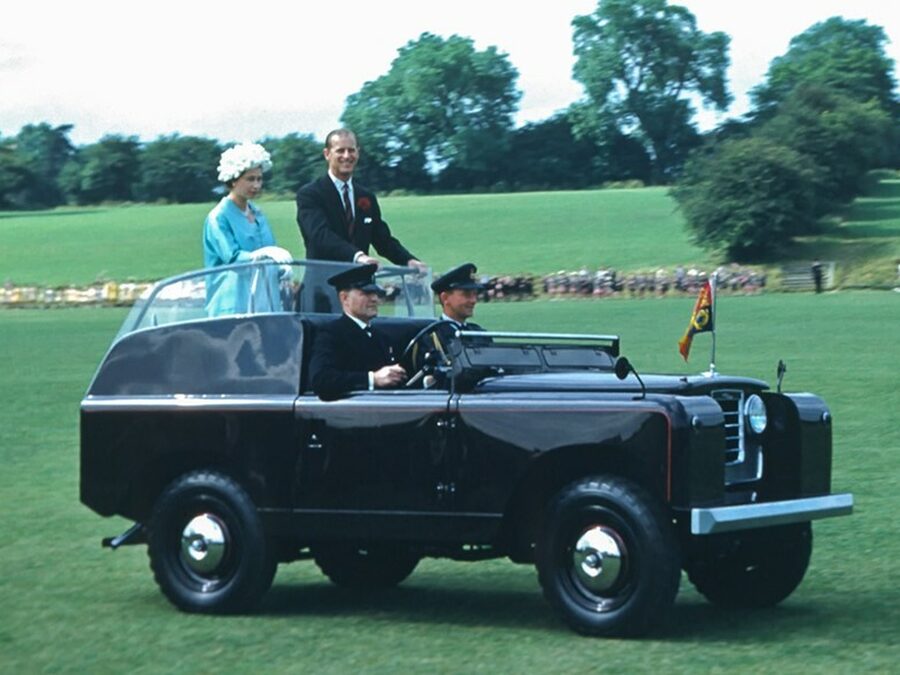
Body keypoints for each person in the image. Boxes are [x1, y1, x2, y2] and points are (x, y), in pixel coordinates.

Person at [296, 129, 427, 311]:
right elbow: (319, 236)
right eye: (340, 151)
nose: (347, 156)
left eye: (351, 150)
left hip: (360, 295)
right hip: (322, 293)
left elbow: (382, 239)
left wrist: (408, 261)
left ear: (358, 152)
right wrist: (358, 257)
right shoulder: (310, 194)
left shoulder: (365, 196)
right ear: (327, 154)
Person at [203, 142, 293, 315]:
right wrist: (261, 255)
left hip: (263, 302)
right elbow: (233, 258)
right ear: (234, 180)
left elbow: (271, 249)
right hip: (232, 305)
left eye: (259, 179)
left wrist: (280, 268)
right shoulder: (218, 217)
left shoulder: (258, 214)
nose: (257, 185)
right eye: (250, 179)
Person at [309, 264, 407, 400]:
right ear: (344, 298)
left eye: (375, 293)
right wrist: (372, 379)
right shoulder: (331, 334)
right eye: (366, 293)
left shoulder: (382, 337)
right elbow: (321, 380)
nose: (374, 299)